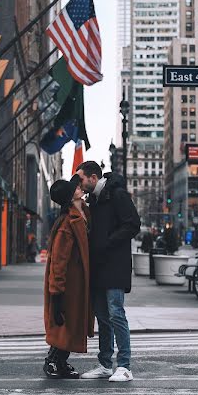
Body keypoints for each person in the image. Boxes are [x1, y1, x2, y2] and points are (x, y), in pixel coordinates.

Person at [76, 161, 140, 382]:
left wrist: (107, 242)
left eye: (82, 179)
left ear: (93, 178)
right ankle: (105, 364)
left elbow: (133, 224)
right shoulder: (93, 199)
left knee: (115, 313)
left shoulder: (117, 195)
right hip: (99, 265)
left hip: (115, 264)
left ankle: (124, 366)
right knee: (102, 316)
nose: (80, 184)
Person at [43, 175, 94, 379]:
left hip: (76, 284)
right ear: (69, 196)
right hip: (68, 286)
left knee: (71, 325)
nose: (79, 188)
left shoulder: (79, 215)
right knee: (65, 325)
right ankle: (52, 362)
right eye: (75, 188)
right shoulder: (67, 223)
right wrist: (56, 294)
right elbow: (58, 262)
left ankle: (60, 362)